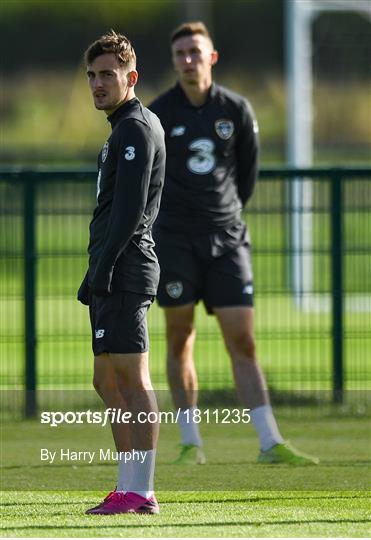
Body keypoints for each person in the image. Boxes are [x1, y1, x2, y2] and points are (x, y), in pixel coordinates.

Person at [149, 21, 318, 466]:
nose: (189, 59)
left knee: (242, 340)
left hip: (227, 240)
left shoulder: (237, 110)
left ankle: (268, 441)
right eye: (180, 53)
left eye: (195, 51)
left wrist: (221, 216)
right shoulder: (158, 114)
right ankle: (191, 442)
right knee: (179, 337)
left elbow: (246, 178)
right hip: (175, 241)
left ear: (212, 56)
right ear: (174, 61)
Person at [77, 30, 165, 514]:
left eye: (107, 74)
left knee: (131, 379)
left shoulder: (135, 127)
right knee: (105, 379)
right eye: (92, 75)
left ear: (131, 77)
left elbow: (130, 210)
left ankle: (141, 490)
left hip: (128, 267)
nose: (97, 83)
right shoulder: (121, 129)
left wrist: (106, 266)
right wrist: (94, 268)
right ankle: (127, 484)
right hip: (112, 265)